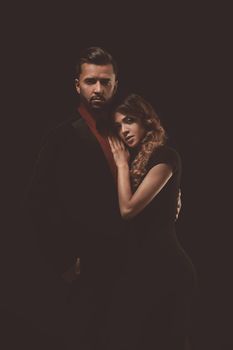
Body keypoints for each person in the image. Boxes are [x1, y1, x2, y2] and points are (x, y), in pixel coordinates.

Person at [25, 46, 125, 349]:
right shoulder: (62, 136)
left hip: (128, 265)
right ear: (77, 85)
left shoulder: (125, 132)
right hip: (84, 268)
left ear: (115, 84)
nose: (98, 89)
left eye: (105, 82)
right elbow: (36, 204)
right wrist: (63, 262)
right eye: (90, 81)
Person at [104, 94, 197, 350]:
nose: (124, 130)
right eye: (118, 126)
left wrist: (121, 166)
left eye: (129, 121)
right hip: (143, 271)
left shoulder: (165, 156)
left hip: (169, 270)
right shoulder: (138, 164)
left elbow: (128, 209)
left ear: (146, 121)